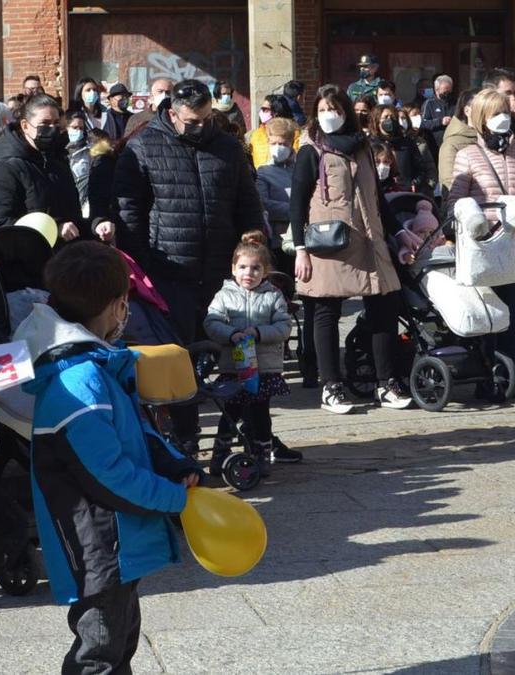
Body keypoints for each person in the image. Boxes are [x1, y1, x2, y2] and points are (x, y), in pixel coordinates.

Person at [14, 241, 202, 675]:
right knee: (97, 653)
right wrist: (173, 498)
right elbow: (107, 476)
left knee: (117, 644)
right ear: (119, 306)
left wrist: (175, 464)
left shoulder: (91, 369)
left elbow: (136, 434)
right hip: (100, 545)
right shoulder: (79, 381)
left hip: (112, 543)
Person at [114, 79, 265, 449]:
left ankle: (240, 437)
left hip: (221, 271)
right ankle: (185, 438)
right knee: (179, 359)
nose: (199, 127)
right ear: (171, 113)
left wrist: (255, 242)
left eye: (205, 119)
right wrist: (143, 264)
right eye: (190, 122)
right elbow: (130, 210)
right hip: (169, 272)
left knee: (232, 356)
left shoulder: (228, 147)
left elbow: (247, 201)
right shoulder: (144, 146)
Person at [290, 86, 409, 413]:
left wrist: (399, 231)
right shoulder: (311, 150)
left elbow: (378, 198)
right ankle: (331, 386)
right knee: (327, 311)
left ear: (346, 112)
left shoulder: (364, 148)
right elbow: (297, 201)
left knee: (384, 306)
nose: (331, 115)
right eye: (324, 109)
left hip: (370, 239)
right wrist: (299, 248)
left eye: (336, 108)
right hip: (329, 240)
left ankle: (387, 382)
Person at [447, 88, 515, 399]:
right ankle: (484, 379)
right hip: (484, 248)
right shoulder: (467, 155)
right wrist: (475, 219)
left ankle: (509, 377)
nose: (503, 118)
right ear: (481, 119)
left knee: (514, 315)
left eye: (506, 111)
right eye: (495, 113)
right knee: (488, 316)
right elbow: (455, 201)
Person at [204, 233, 295, 473]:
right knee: (229, 412)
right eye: (243, 267)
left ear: (265, 272)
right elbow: (211, 322)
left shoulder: (272, 295)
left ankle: (262, 453)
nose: (249, 273)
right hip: (232, 368)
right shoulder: (224, 295)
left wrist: (259, 332)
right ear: (233, 268)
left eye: (256, 268)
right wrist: (231, 334)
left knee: (260, 414)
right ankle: (220, 452)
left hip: (262, 369)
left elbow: (284, 327)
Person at [0, 94, 110, 242]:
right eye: (45, 123)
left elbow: (72, 221)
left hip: (64, 257)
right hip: (29, 259)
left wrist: (96, 225)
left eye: (56, 123)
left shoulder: (58, 162)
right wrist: (54, 229)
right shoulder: (6, 168)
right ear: (25, 126)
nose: (51, 129)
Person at [256, 117, 298, 266]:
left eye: (283, 144)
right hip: (279, 240)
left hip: (303, 237)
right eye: (273, 143)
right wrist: (296, 209)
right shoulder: (263, 172)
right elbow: (264, 204)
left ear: (291, 143)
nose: (278, 148)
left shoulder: (302, 168)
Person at [370, 103, 427, 194]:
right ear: (377, 121)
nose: (390, 120)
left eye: (392, 117)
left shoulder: (407, 143)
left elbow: (420, 168)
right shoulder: (371, 144)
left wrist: (415, 183)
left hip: (405, 191)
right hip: (379, 192)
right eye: (386, 117)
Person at [438, 89, 481, 190]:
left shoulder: (494, 139)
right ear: (467, 111)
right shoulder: (451, 145)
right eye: (481, 108)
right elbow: (449, 185)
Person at [250, 94, 298, 167]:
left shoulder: (295, 134)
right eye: (262, 109)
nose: (261, 112)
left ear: (276, 111)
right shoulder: (256, 134)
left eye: (265, 109)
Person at [400, 103, 439, 192]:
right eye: (414, 115)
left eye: (419, 114)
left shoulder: (422, 138)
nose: (418, 117)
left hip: (423, 189)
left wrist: (430, 184)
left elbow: (430, 165)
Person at [421, 74, 456, 151]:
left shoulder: (455, 102)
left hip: (452, 143)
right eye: (445, 91)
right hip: (435, 145)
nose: (447, 94)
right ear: (437, 90)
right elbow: (423, 123)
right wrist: (440, 121)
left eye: (449, 91)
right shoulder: (429, 103)